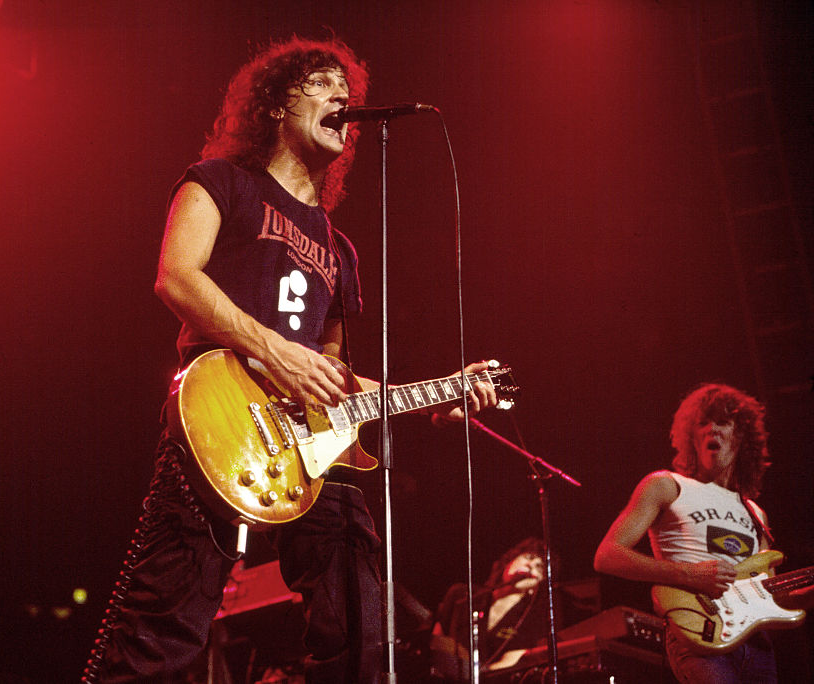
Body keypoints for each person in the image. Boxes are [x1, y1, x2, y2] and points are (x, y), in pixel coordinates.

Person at [82, 36, 500, 684]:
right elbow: (176, 278)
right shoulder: (221, 182)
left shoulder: (341, 250)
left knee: (365, 632)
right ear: (277, 103)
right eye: (322, 83)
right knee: (162, 632)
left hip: (312, 447)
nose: (342, 96)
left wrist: (443, 390)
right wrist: (276, 351)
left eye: (347, 89)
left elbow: (331, 381)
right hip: (221, 413)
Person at [593, 383, 799, 684]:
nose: (711, 429)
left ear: (740, 436)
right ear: (691, 437)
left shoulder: (756, 513)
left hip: (756, 645)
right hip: (699, 632)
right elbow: (607, 556)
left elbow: (768, 591)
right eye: (703, 423)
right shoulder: (667, 485)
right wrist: (691, 575)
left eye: (722, 422)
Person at [432, 538, 557, 678]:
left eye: (539, 567)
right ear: (509, 562)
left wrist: (474, 677)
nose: (530, 565)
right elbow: (438, 638)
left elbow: (510, 661)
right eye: (528, 557)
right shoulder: (462, 595)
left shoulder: (532, 619)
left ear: (536, 585)